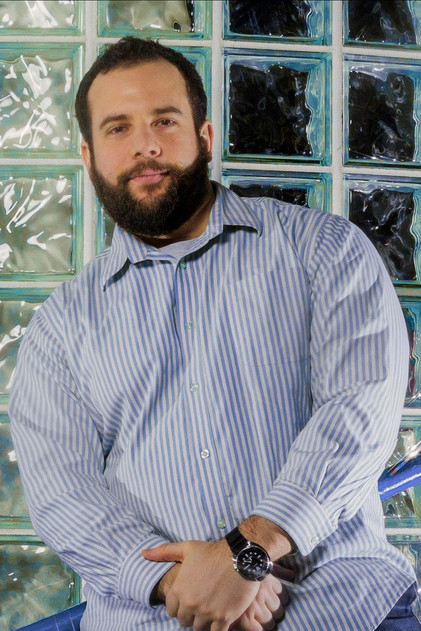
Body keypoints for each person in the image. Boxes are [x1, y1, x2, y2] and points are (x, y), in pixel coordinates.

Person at [9, 36, 420, 631]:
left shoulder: (323, 249)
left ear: (204, 136)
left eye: (165, 120)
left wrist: (251, 550)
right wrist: (183, 584)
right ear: (88, 155)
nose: (146, 145)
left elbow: (360, 410)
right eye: (118, 128)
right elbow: (61, 493)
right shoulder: (59, 328)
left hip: (344, 609)